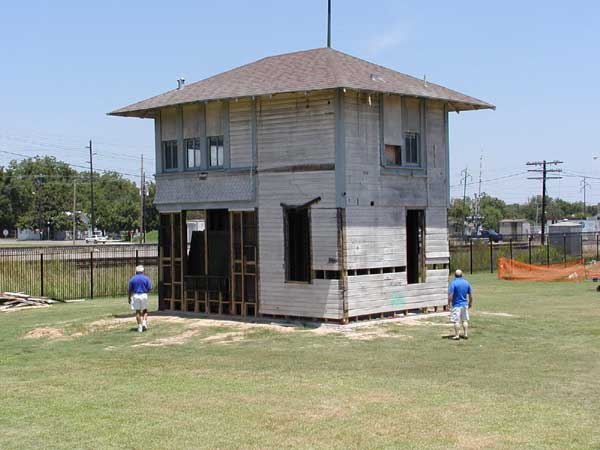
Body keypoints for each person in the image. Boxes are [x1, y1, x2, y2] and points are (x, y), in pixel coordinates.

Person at [448, 269, 473, 340]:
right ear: (462, 275)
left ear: (455, 275)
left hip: (456, 305)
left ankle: (457, 335)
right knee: (464, 320)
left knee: (456, 321)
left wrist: (448, 303)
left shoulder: (453, 283)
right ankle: (465, 334)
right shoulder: (466, 283)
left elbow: (450, 295)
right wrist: (470, 302)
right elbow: (470, 294)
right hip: (464, 304)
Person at [128, 265, 153, 333]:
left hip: (135, 295)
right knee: (145, 310)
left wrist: (129, 298)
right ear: (143, 271)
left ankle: (139, 326)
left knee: (137, 311)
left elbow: (129, 290)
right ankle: (144, 322)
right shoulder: (146, 278)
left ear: (136, 271)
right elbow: (150, 287)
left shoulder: (132, 279)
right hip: (144, 295)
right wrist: (146, 291)